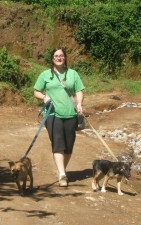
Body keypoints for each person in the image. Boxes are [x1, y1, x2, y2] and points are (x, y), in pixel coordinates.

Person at [33, 47, 85, 187]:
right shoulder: (45, 75)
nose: (59, 57)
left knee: (69, 146)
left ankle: (62, 169)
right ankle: (62, 174)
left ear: (65, 57)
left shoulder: (73, 74)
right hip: (52, 114)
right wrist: (44, 97)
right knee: (58, 143)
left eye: (61, 55)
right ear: (52, 58)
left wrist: (79, 103)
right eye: (56, 56)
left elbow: (79, 90)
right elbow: (36, 91)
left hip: (70, 114)